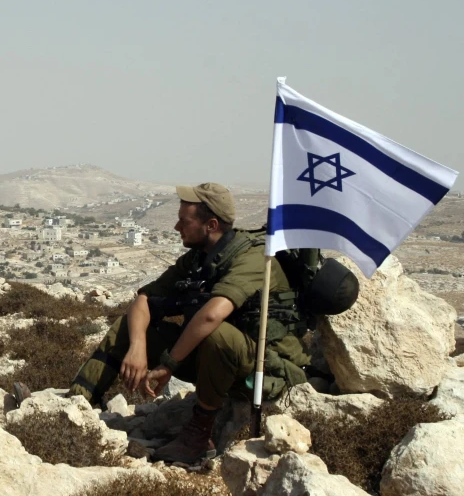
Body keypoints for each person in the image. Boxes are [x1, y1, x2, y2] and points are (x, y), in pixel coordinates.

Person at [17, 183, 309, 463]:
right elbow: (144, 300)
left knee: (215, 333)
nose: (176, 227)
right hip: (214, 363)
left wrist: (168, 364)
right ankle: (75, 406)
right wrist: (138, 346)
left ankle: (199, 435)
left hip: (263, 368)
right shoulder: (200, 259)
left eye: (185, 221)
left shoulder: (253, 257)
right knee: (128, 327)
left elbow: (211, 315)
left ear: (211, 225)